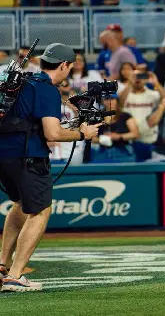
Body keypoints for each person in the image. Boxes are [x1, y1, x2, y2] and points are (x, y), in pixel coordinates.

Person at [0, 43, 100, 291]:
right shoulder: (46, 89)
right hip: (28, 156)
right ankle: (15, 275)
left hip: (4, 155)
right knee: (41, 210)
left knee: (21, 204)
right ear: (65, 65)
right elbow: (52, 133)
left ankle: (1, 265)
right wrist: (82, 134)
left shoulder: (22, 81)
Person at [119, 71, 163, 162]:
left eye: (140, 76)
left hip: (149, 139)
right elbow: (119, 103)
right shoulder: (126, 94)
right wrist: (130, 82)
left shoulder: (153, 94)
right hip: (130, 141)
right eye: (135, 76)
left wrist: (156, 83)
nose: (137, 79)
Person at [91, 94, 140, 163]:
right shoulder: (97, 118)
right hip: (103, 151)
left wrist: (118, 136)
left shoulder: (125, 116)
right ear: (103, 101)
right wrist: (102, 139)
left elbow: (136, 134)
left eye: (112, 99)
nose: (109, 101)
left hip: (122, 150)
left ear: (117, 101)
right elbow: (91, 137)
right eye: (106, 99)